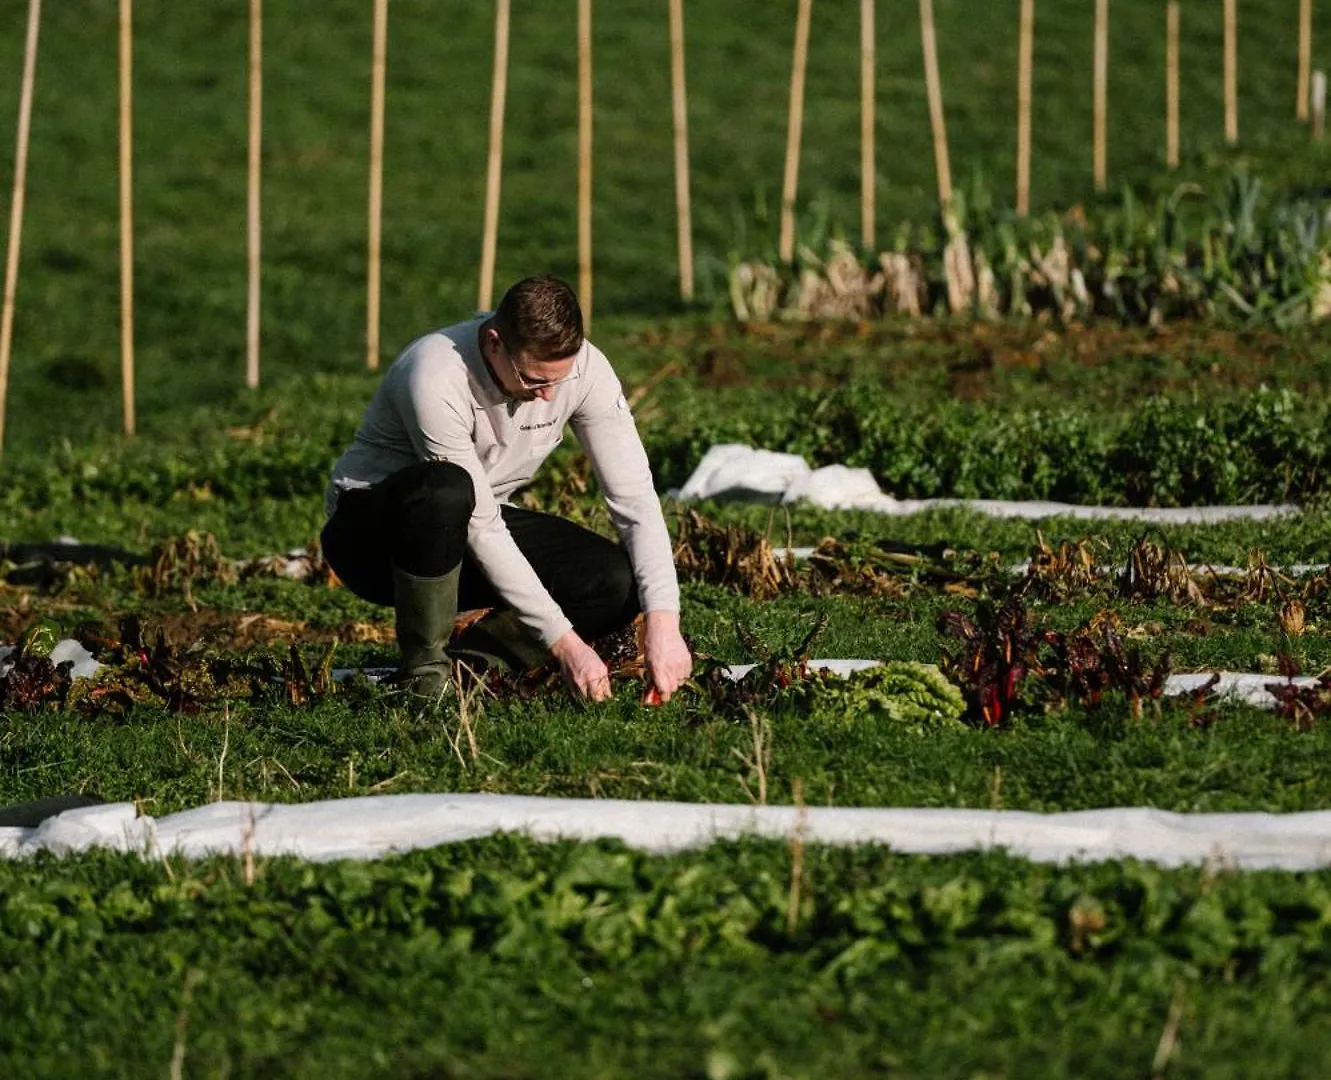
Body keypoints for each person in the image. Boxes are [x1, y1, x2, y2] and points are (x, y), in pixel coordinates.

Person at [320, 275, 692, 704]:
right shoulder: (434, 374)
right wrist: (566, 645)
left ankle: (473, 666)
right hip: (374, 540)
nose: (549, 393)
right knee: (446, 491)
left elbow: (635, 500)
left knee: (612, 582)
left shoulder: (586, 371)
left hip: (476, 523)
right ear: (495, 342)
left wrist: (664, 622)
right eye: (535, 380)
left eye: (560, 378)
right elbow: (481, 527)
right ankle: (423, 674)